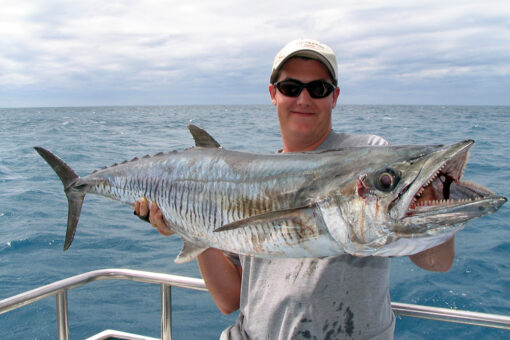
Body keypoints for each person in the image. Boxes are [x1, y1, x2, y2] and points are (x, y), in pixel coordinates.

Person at [134, 39, 455, 339]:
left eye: (318, 88)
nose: (304, 99)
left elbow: (437, 262)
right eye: (291, 87)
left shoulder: (370, 157)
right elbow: (229, 299)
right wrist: (190, 225)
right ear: (273, 93)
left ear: (335, 96)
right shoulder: (243, 179)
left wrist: (435, 201)